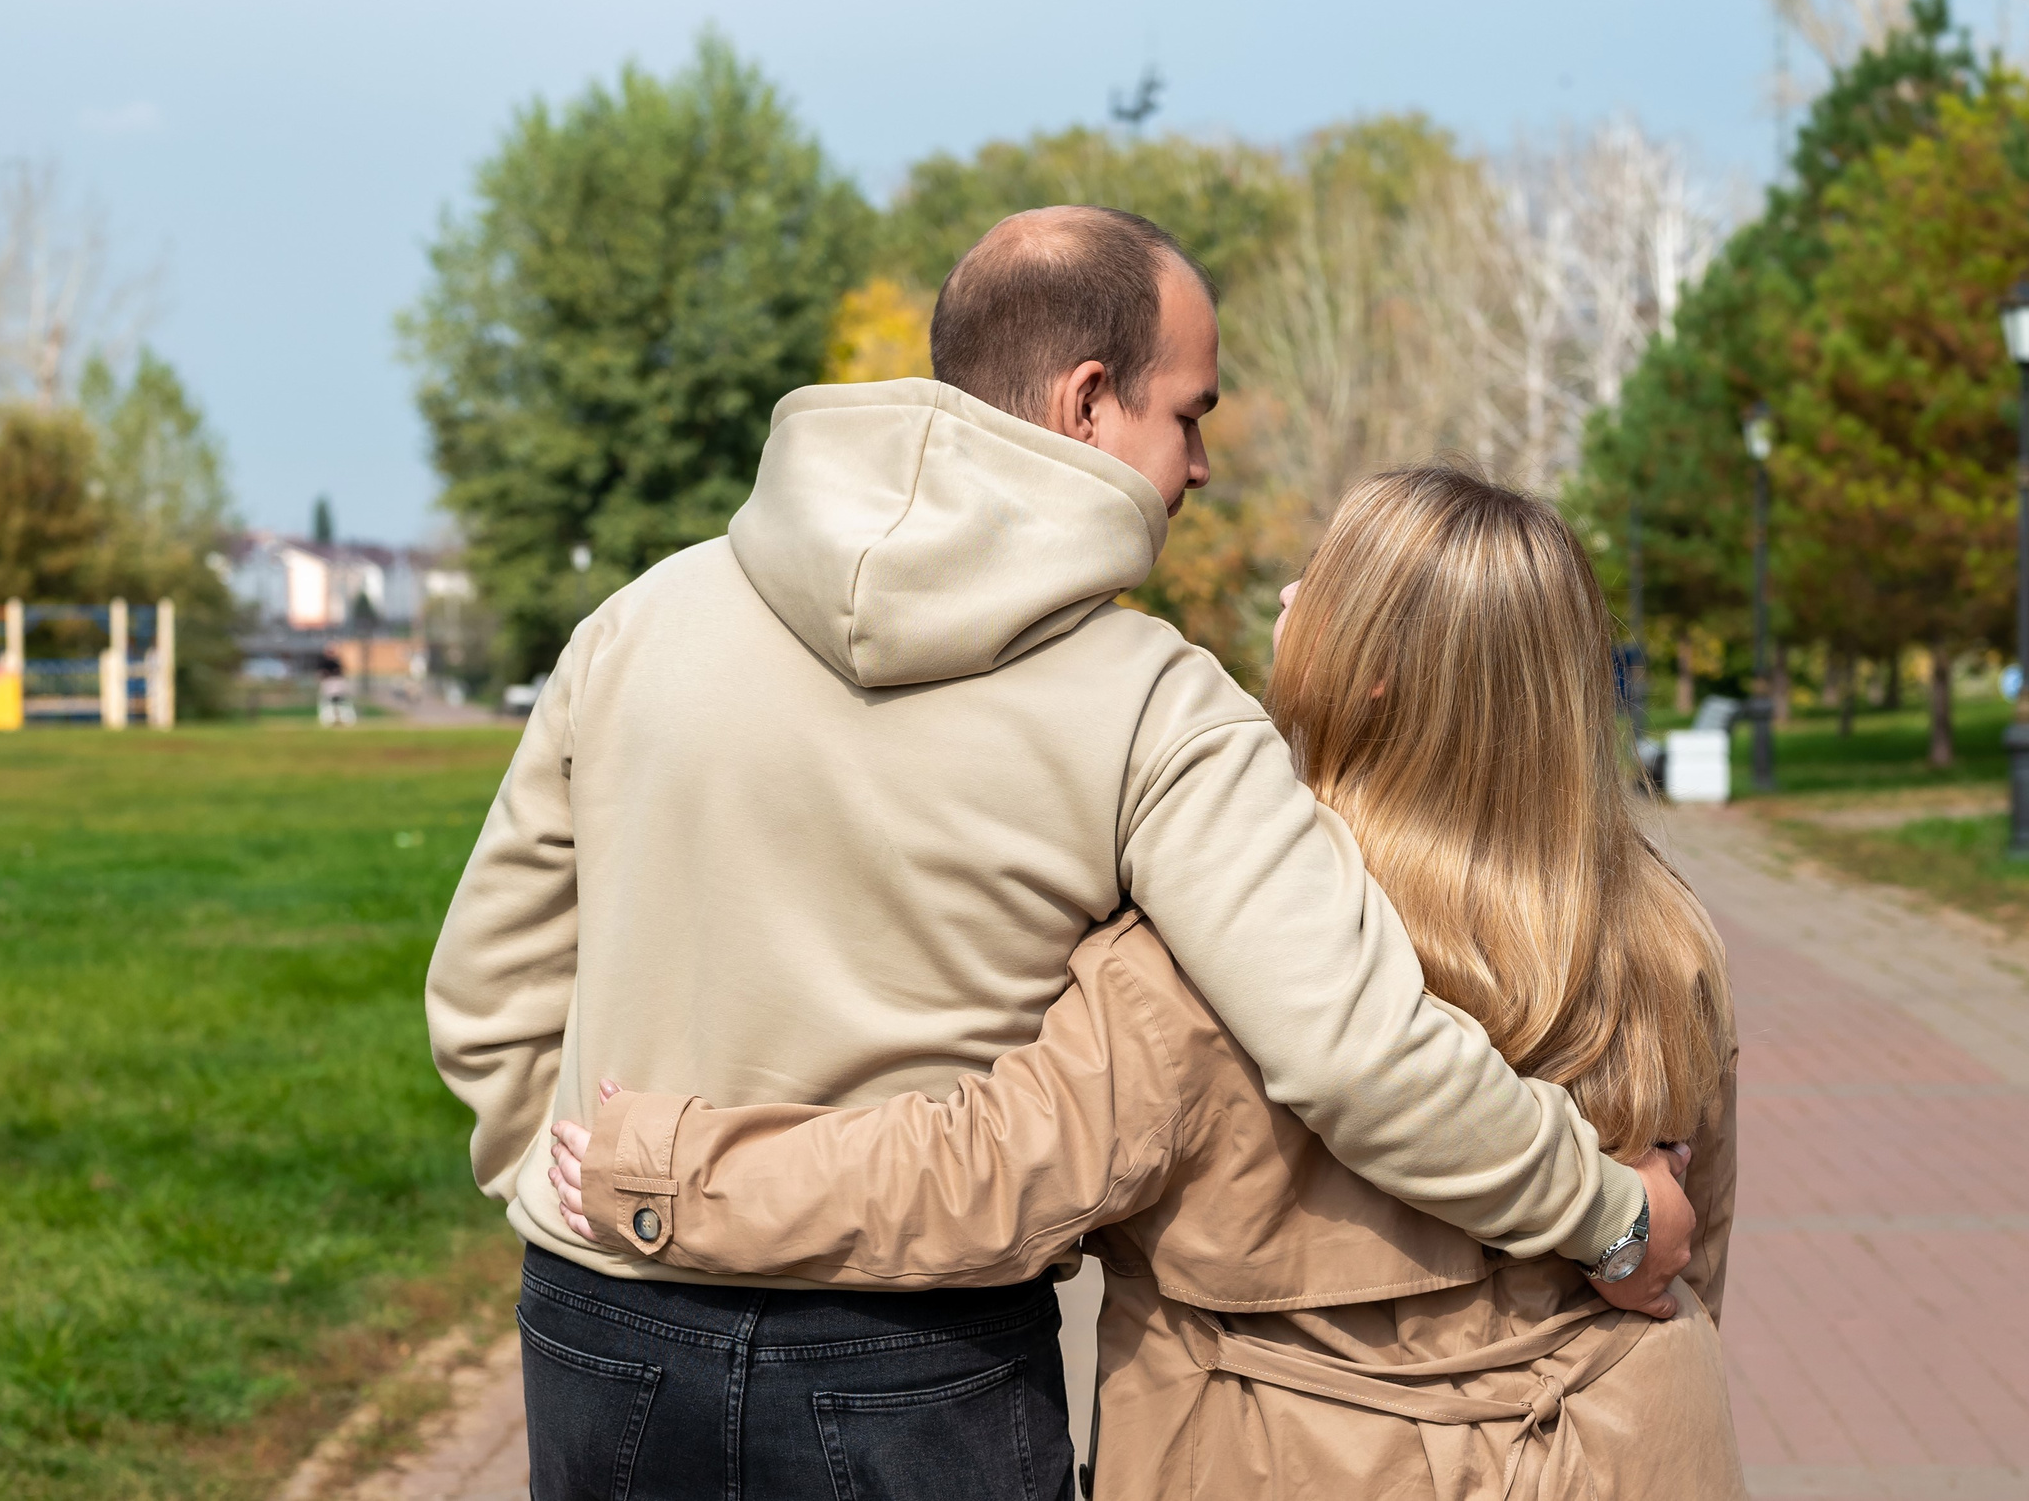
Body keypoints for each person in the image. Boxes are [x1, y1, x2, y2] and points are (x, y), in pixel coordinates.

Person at [424, 211, 1693, 1500]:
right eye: (1189, 415)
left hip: (603, 1314)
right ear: (1088, 400)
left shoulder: (640, 621)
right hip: (917, 1352)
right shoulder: (1153, 702)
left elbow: (486, 983)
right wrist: (1611, 1216)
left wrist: (565, 1188)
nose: (1200, 465)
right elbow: (1354, 1049)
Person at [550, 467, 1744, 1500]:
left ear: (1376, 673)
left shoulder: (1228, 946)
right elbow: (1691, 1255)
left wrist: (677, 1176)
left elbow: (981, 1175)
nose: (1287, 596)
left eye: (1320, 582)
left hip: (1294, 1459)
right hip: (1632, 1447)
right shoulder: (1664, 934)